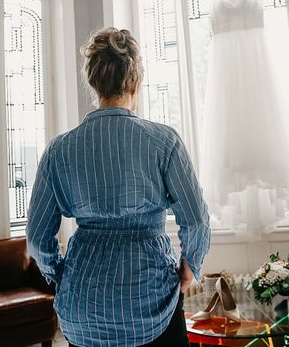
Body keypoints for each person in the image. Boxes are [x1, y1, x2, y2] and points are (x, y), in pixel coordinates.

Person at [27, 27, 211, 347]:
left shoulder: (58, 149)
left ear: (93, 84)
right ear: (134, 83)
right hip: (151, 306)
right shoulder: (164, 141)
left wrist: (62, 275)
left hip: (81, 310)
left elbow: (37, 238)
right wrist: (189, 268)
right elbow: (195, 220)